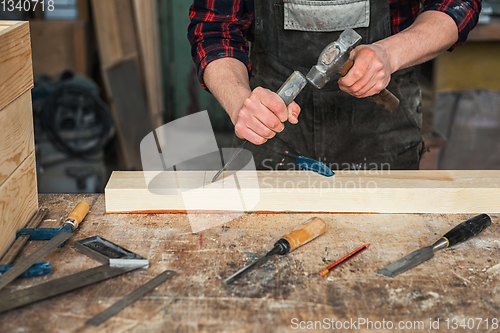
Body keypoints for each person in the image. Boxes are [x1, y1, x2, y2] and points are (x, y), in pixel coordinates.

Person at [188, 1, 481, 171]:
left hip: (383, 131)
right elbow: (214, 26)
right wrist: (240, 100)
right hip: (275, 122)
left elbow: (457, 5)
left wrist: (390, 54)